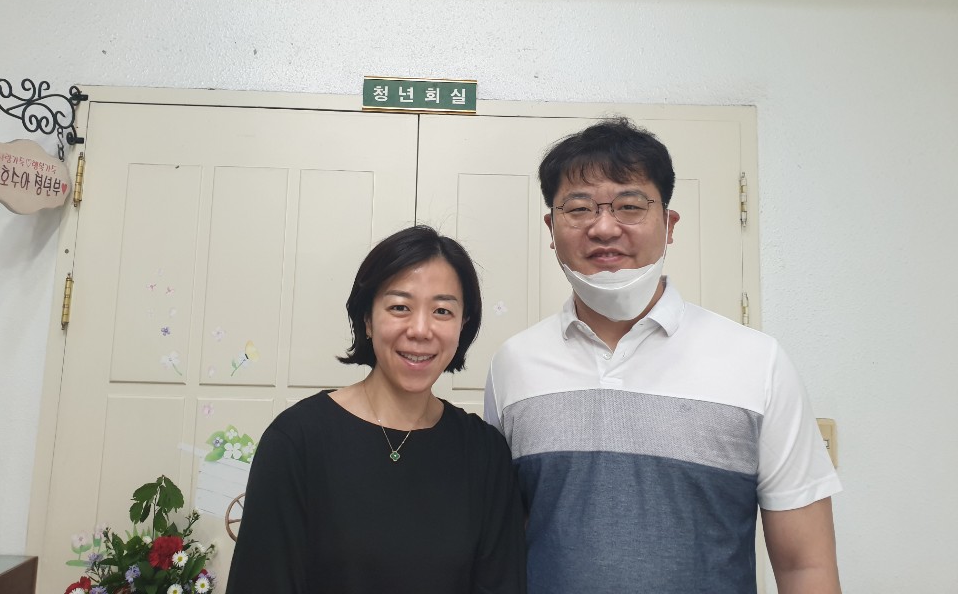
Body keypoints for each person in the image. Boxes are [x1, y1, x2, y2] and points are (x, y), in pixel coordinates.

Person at [484, 119, 842, 594]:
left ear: (669, 224)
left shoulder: (758, 363)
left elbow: (805, 567)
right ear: (552, 228)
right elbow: (505, 539)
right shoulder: (513, 364)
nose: (604, 227)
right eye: (579, 208)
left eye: (630, 206)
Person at [228, 225, 526, 594]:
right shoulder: (297, 440)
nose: (421, 330)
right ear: (367, 319)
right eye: (400, 307)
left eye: (442, 310)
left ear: (463, 325)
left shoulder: (485, 453)